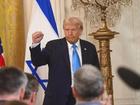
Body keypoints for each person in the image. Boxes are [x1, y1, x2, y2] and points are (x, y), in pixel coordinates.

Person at [30, 17, 100, 105]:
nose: (70, 33)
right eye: (67, 30)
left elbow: (96, 73)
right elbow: (37, 62)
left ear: (81, 30)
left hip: (84, 97)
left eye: (73, 30)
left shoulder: (90, 47)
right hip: (57, 98)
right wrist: (35, 44)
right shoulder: (53, 46)